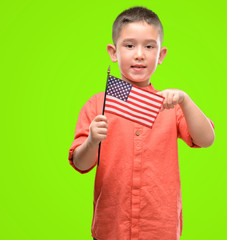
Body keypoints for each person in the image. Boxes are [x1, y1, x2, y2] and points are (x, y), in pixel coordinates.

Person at [68, 6, 215, 240]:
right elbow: (81, 163)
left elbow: (206, 140)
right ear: (113, 52)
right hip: (111, 227)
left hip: (159, 228)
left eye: (149, 46)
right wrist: (93, 141)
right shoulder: (98, 105)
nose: (139, 54)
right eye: (129, 45)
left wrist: (185, 100)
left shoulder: (171, 104)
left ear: (161, 54)